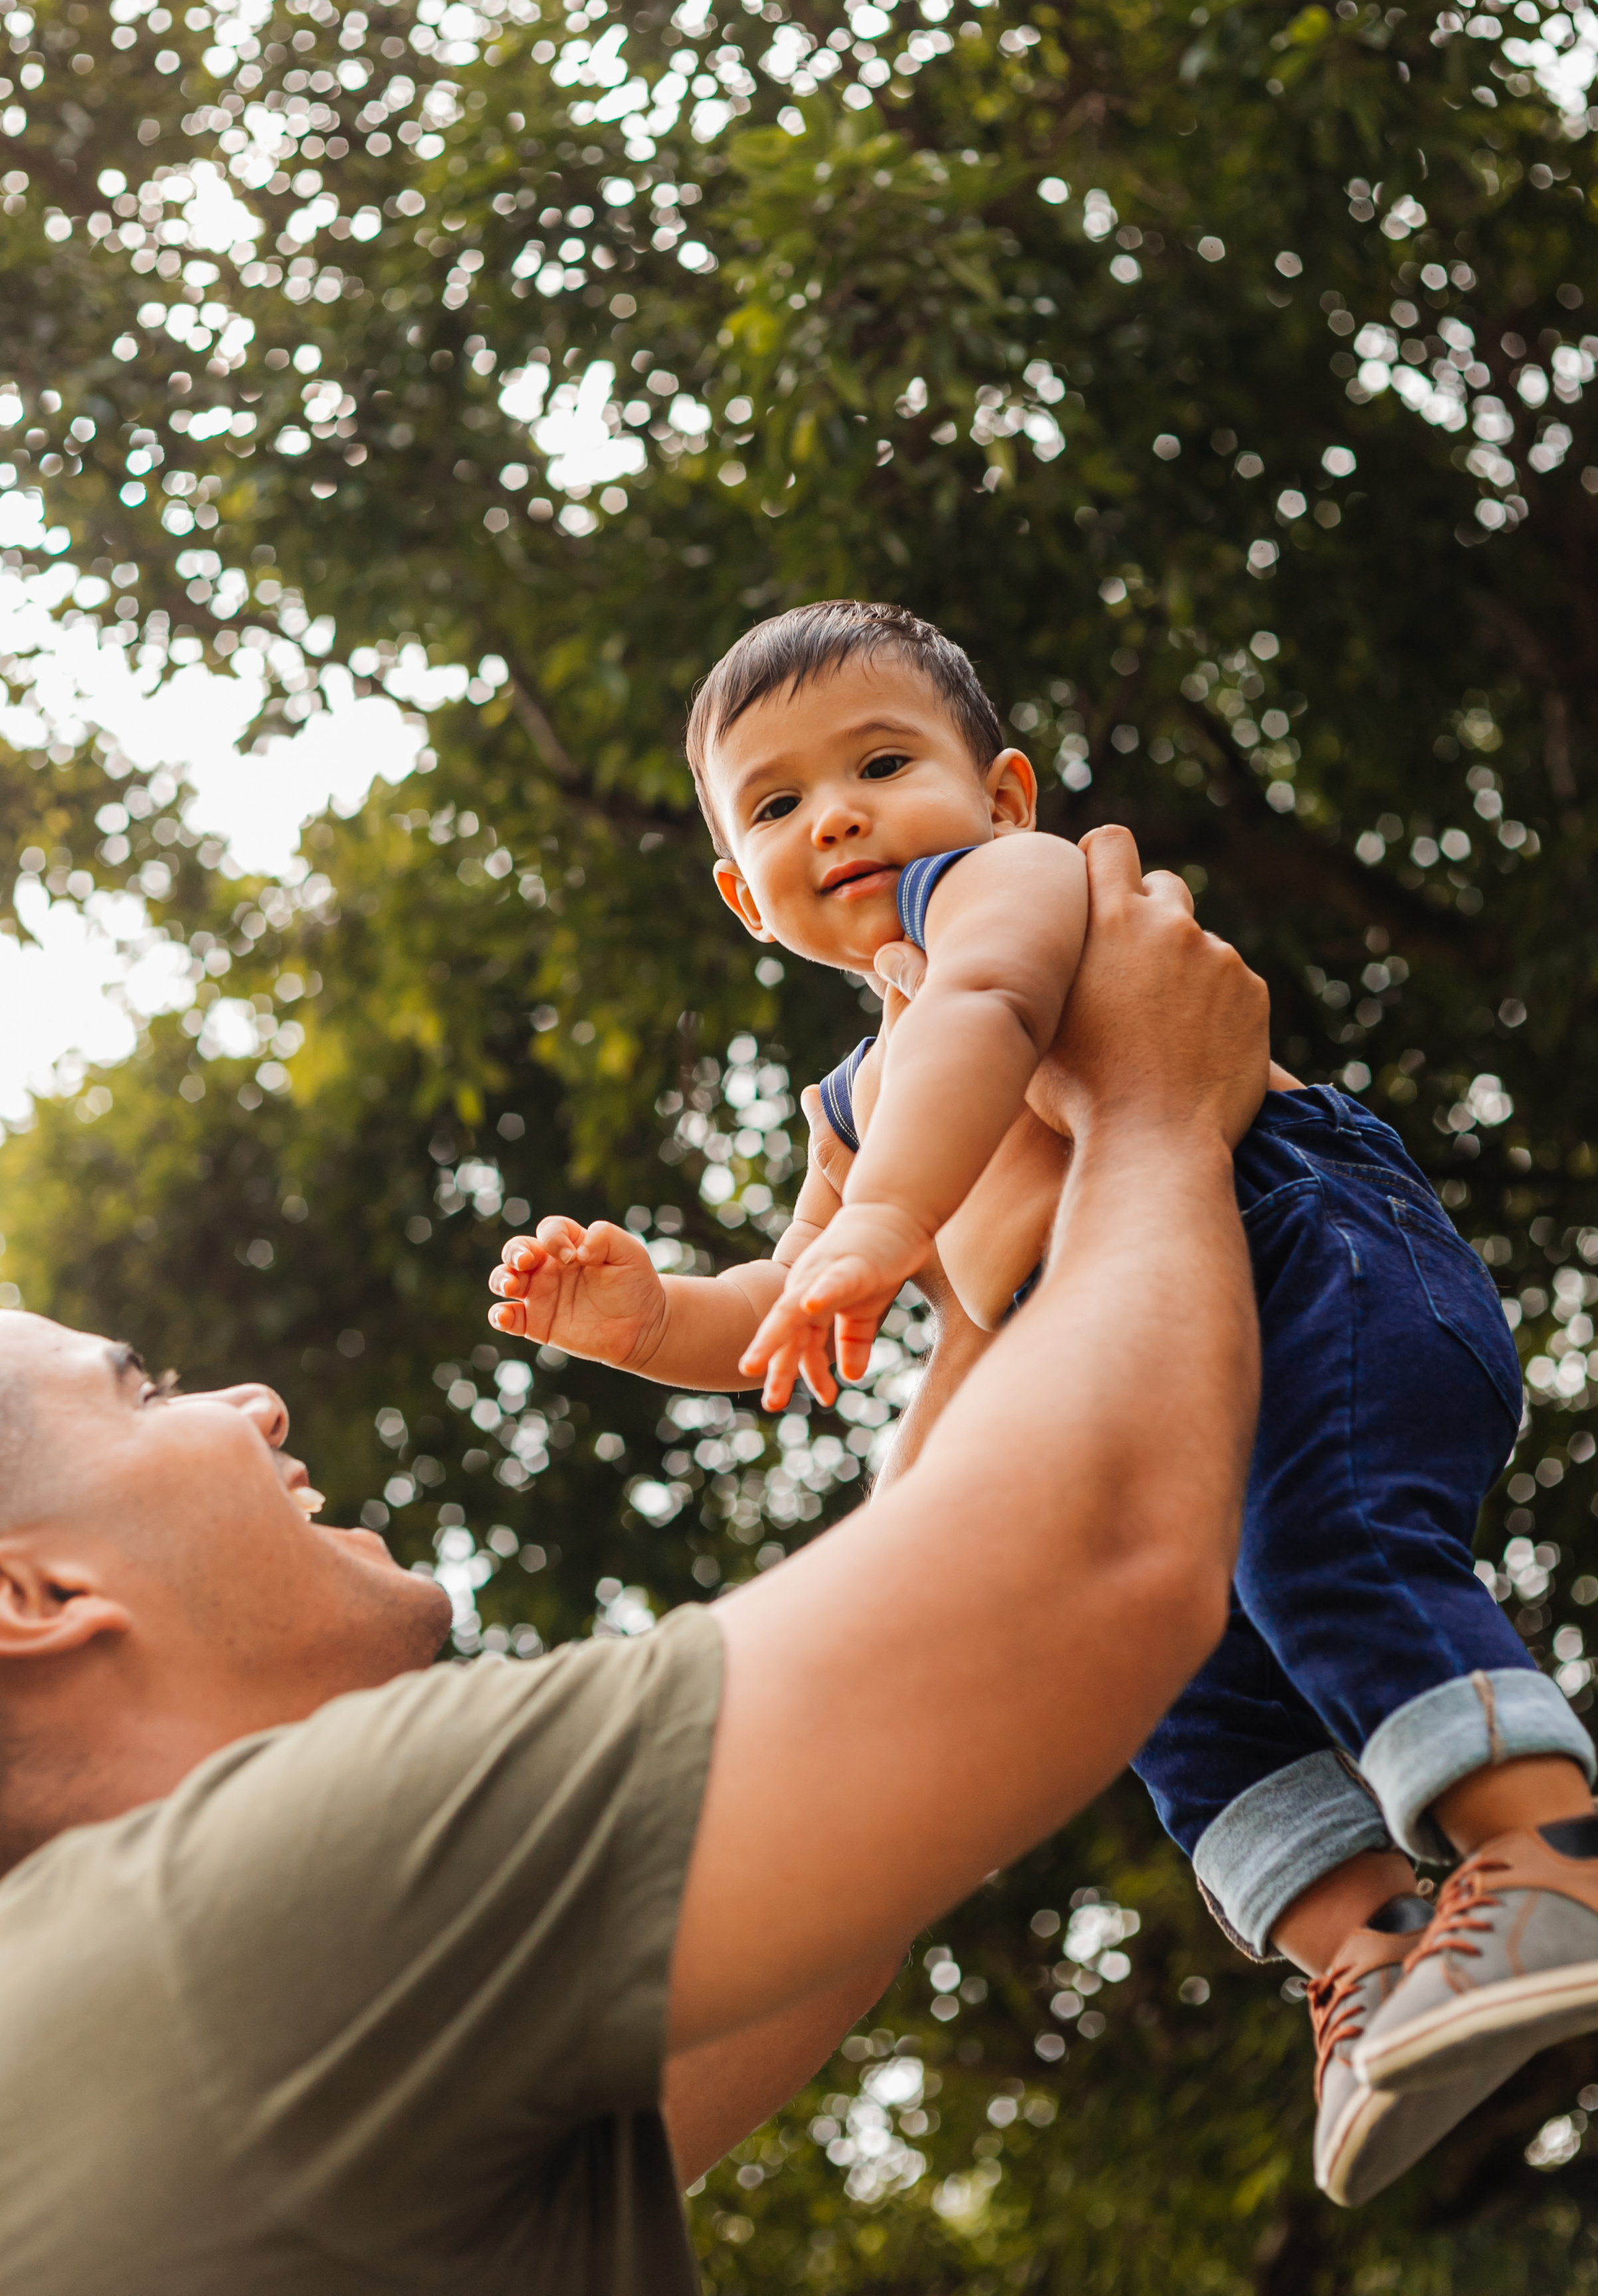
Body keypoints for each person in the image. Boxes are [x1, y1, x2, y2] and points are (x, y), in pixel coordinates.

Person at [491, 603, 1598, 2207]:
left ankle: (1556, 1860)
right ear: (739, 893)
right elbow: (792, 1308)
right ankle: (1372, 1961)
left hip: (1308, 1264)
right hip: (1167, 1385)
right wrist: (650, 1324)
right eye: (773, 807)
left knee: (1320, 1544)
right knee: (1164, 1679)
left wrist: (876, 1229)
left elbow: (985, 1017)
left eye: (877, 762)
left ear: (999, 792)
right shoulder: (851, 1103)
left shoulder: (1003, 892)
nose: (832, 814)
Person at [0, 827, 1270, 2291]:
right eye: (144, 1390)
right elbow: (1080, 1575)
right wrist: (1155, 1108)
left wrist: (987, 1251)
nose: (252, 1399)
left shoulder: (187, 2060)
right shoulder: (218, 1939)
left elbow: (892, 1786)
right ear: (32, 1599)